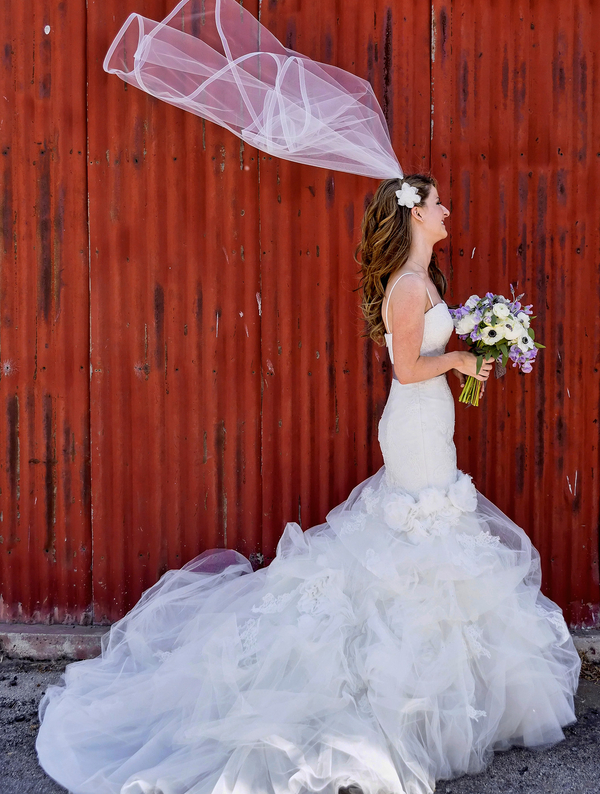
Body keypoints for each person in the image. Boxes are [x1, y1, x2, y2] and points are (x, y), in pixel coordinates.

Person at [36, 172, 580, 794]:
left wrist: (474, 350)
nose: (447, 210)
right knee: (422, 536)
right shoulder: (407, 288)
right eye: (436, 204)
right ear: (414, 216)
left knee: (433, 536)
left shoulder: (424, 280)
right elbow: (406, 369)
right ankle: (402, 696)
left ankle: (446, 697)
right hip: (414, 425)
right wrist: (460, 358)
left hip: (431, 424)